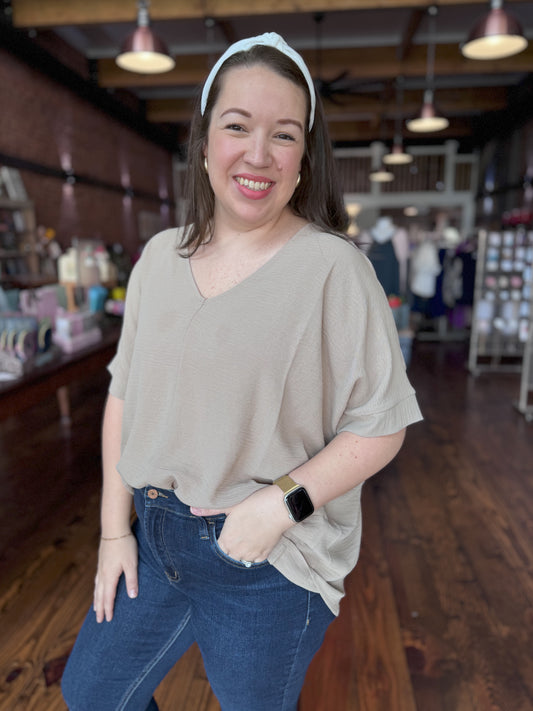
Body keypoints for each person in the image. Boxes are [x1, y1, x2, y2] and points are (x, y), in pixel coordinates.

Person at [61, 32, 422, 711]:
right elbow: (124, 397)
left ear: (303, 158)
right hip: (152, 530)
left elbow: (381, 426)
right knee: (93, 693)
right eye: (237, 127)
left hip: (266, 555)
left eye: (283, 135)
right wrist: (114, 531)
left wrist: (277, 504)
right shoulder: (159, 258)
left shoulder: (334, 270)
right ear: (203, 145)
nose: (258, 154)